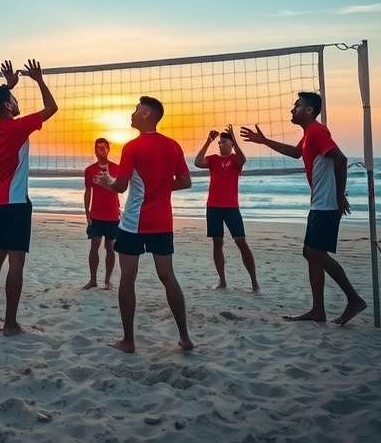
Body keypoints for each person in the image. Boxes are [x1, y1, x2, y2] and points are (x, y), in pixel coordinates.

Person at [240, 92, 367, 325]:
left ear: (309, 111)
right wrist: (264, 141)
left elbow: (341, 160)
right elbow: (296, 153)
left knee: (316, 253)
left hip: (327, 203)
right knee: (310, 253)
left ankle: (354, 299)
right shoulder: (309, 134)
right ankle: (318, 310)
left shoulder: (318, 131)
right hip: (320, 201)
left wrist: (339, 196)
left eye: (297, 105)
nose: (292, 109)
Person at [94, 96, 194, 353]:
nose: (133, 113)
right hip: (162, 221)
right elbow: (185, 181)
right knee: (168, 276)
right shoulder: (172, 145)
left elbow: (121, 186)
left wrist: (107, 182)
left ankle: (128, 341)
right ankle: (185, 337)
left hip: (134, 223)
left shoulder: (133, 147)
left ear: (147, 114)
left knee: (127, 277)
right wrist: (159, 189)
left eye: (137, 109)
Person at [0, 59, 58, 336]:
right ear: (8, 105)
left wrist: (7, 87)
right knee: (16, 262)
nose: (17, 101)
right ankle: (10, 323)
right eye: (13, 98)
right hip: (17, 202)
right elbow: (52, 108)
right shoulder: (19, 127)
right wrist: (39, 80)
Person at [194, 125, 260, 292]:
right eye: (220, 143)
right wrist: (209, 140)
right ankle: (222, 281)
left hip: (231, 208)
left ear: (231, 144)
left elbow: (242, 159)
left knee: (241, 243)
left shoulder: (235, 160)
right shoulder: (214, 159)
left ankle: (254, 283)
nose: (221, 144)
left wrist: (234, 139)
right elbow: (197, 162)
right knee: (217, 243)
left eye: (224, 142)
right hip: (213, 207)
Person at [82, 138, 120, 290]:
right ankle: (92, 280)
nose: (101, 151)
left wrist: (108, 181)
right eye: (98, 148)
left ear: (108, 150)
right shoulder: (90, 170)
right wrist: (87, 213)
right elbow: (87, 192)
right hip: (96, 215)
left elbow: (121, 188)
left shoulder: (117, 168)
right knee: (94, 246)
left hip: (112, 215)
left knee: (110, 247)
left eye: (104, 148)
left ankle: (107, 280)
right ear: (95, 150)